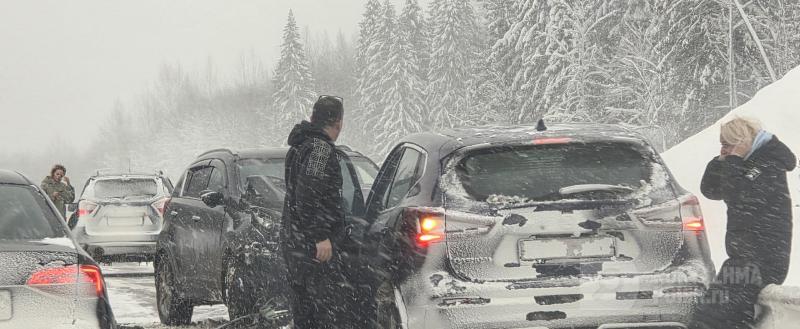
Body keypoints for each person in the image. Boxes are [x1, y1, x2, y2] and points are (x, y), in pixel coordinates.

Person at [692, 117, 796, 329]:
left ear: (741, 142)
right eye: (722, 145)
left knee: (720, 315)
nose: (725, 149)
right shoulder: (745, 162)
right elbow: (711, 190)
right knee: (710, 312)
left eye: (728, 144)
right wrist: (722, 160)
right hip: (743, 259)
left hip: (764, 260)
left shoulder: (768, 163)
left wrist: (734, 160)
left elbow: (738, 195)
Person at [281, 95, 354, 329]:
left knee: (306, 314)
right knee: (325, 315)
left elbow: (300, 195)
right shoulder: (320, 151)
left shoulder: (301, 146)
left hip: (297, 243)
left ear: (313, 117)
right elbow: (308, 194)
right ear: (338, 122)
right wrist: (321, 236)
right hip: (313, 249)